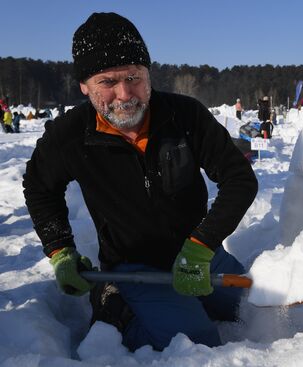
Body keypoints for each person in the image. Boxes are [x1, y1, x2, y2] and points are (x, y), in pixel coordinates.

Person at [22, 12, 258, 352]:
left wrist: (202, 244)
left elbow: (239, 178)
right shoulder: (70, 135)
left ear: (149, 75)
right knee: (197, 342)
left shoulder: (185, 115)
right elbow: (39, 186)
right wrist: (60, 251)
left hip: (198, 253)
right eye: (107, 82)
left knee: (253, 306)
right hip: (136, 265)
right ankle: (118, 309)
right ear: (84, 87)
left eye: (134, 77)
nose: (124, 94)